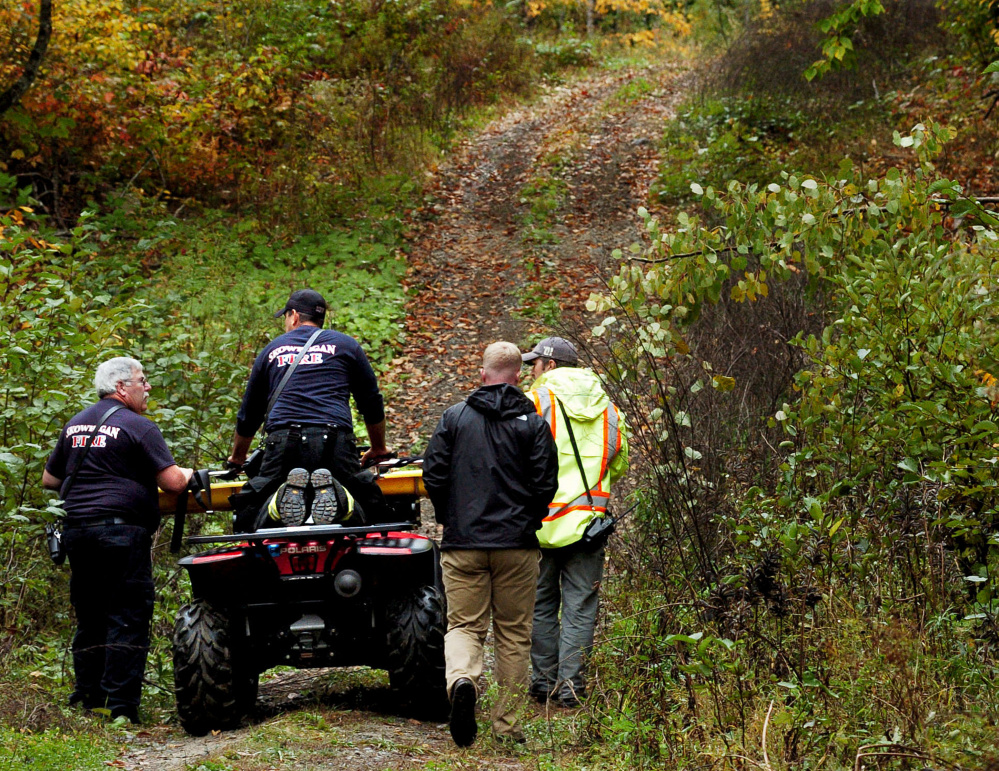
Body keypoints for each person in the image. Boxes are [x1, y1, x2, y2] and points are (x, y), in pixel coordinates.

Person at [423, 342, 559, 747]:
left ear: (483, 374)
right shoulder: (533, 423)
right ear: (518, 376)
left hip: (463, 543)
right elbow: (545, 484)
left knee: (465, 626)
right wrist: (528, 520)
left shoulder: (455, 418)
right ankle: (507, 727)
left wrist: (451, 517)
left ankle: (463, 681)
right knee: (514, 634)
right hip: (516, 545)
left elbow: (433, 474)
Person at [42, 357, 193, 723]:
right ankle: (120, 708)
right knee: (127, 615)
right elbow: (173, 483)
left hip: (77, 531)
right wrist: (188, 473)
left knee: (91, 616)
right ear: (122, 387)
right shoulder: (138, 426)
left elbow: (49, 479)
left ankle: (87, 700)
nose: (148, 387)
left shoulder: (75, 424)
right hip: (122, 533)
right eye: (142, 380)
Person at [227, 289, 394, 530]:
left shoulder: (271, 350)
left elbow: (249, 414)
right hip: (335, 442)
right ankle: (340, 499)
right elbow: (371, 402)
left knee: (249, 511)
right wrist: (378, 448)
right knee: (369, 505)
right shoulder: (346, 345)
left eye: (285, 317)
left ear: (293, 315)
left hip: (282, 443)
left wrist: (238, 458)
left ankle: (277, 502)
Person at [522, 336, 628, 708]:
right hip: (588, 527)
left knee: (540, 604)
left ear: (549, 366)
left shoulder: (535, 402)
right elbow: (619, 462)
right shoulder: (609, 410)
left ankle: (542, 683)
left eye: (533, 364)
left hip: (539, 523)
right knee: (581, 606)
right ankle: (570, 688)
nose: (529, 371)